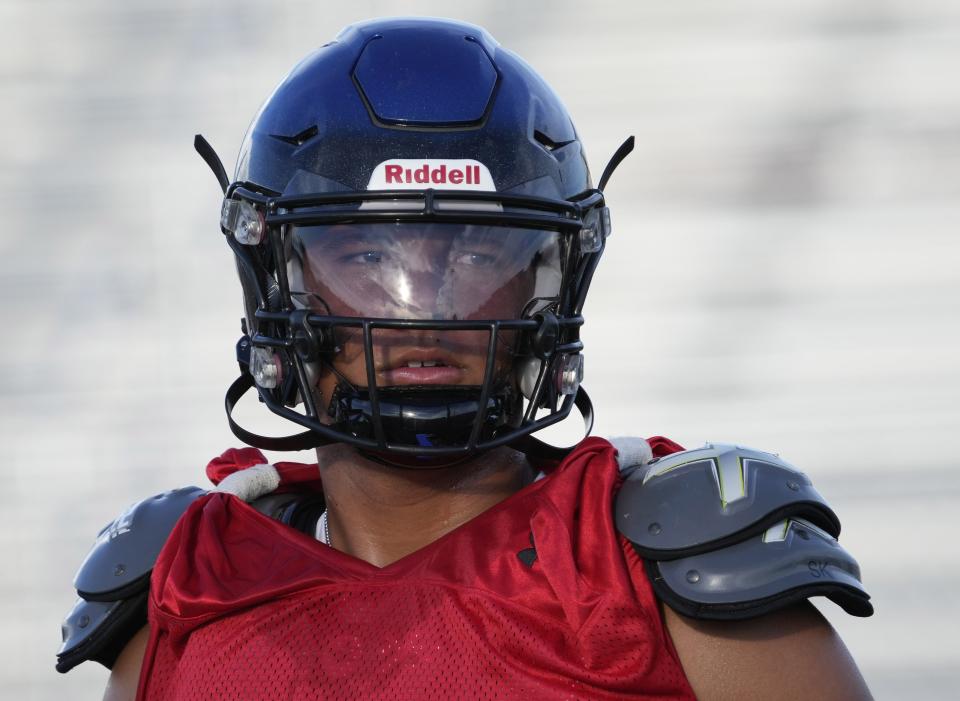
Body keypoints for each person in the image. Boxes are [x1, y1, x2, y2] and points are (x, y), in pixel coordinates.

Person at [57, 17, 874, 700]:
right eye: (370, 258)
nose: (429, 307)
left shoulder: (664, 574)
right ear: (279, 279)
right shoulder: (194, 585)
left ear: (548, 285)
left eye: (478, 256)